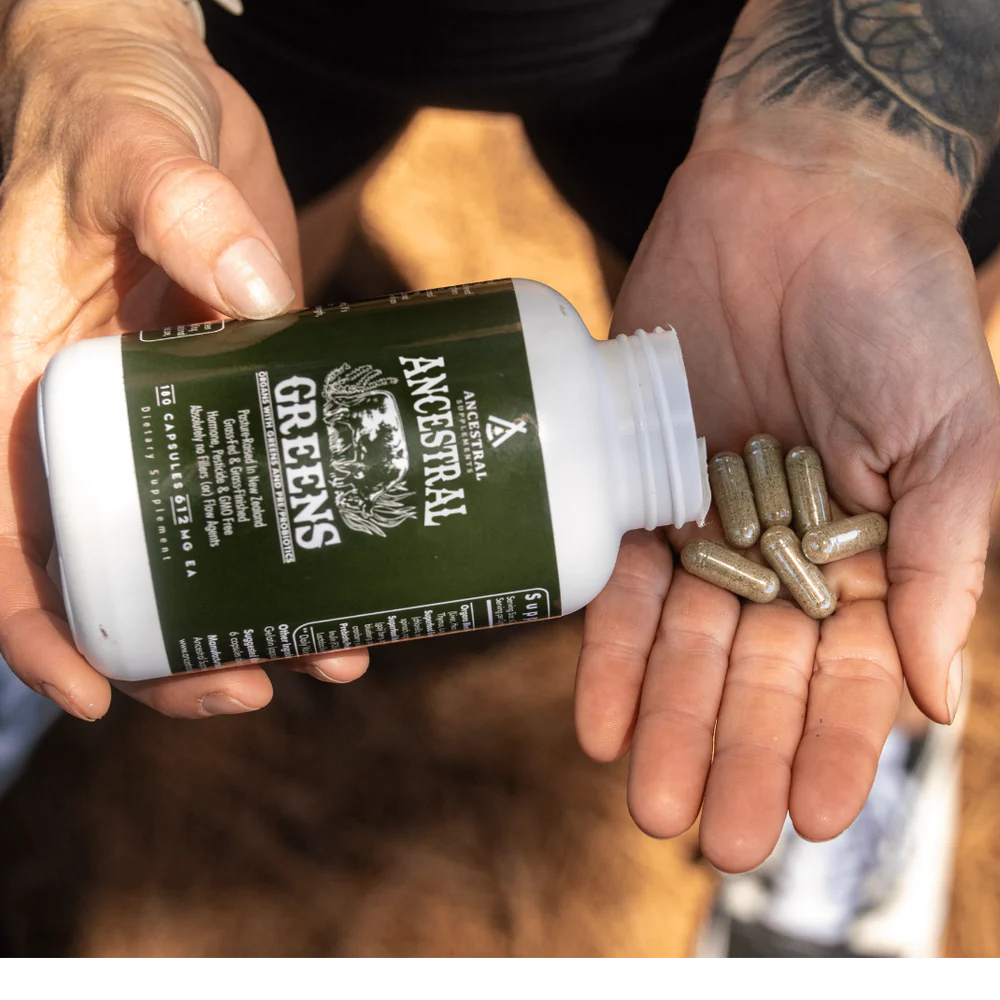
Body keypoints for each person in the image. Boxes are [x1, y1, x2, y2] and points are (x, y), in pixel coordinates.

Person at [0, 0, 997, 880]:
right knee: (246, 288)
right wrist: (88, 21)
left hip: (739, 39)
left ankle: (865, 748)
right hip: (256, 25)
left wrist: (869, 151)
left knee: (793, 323)